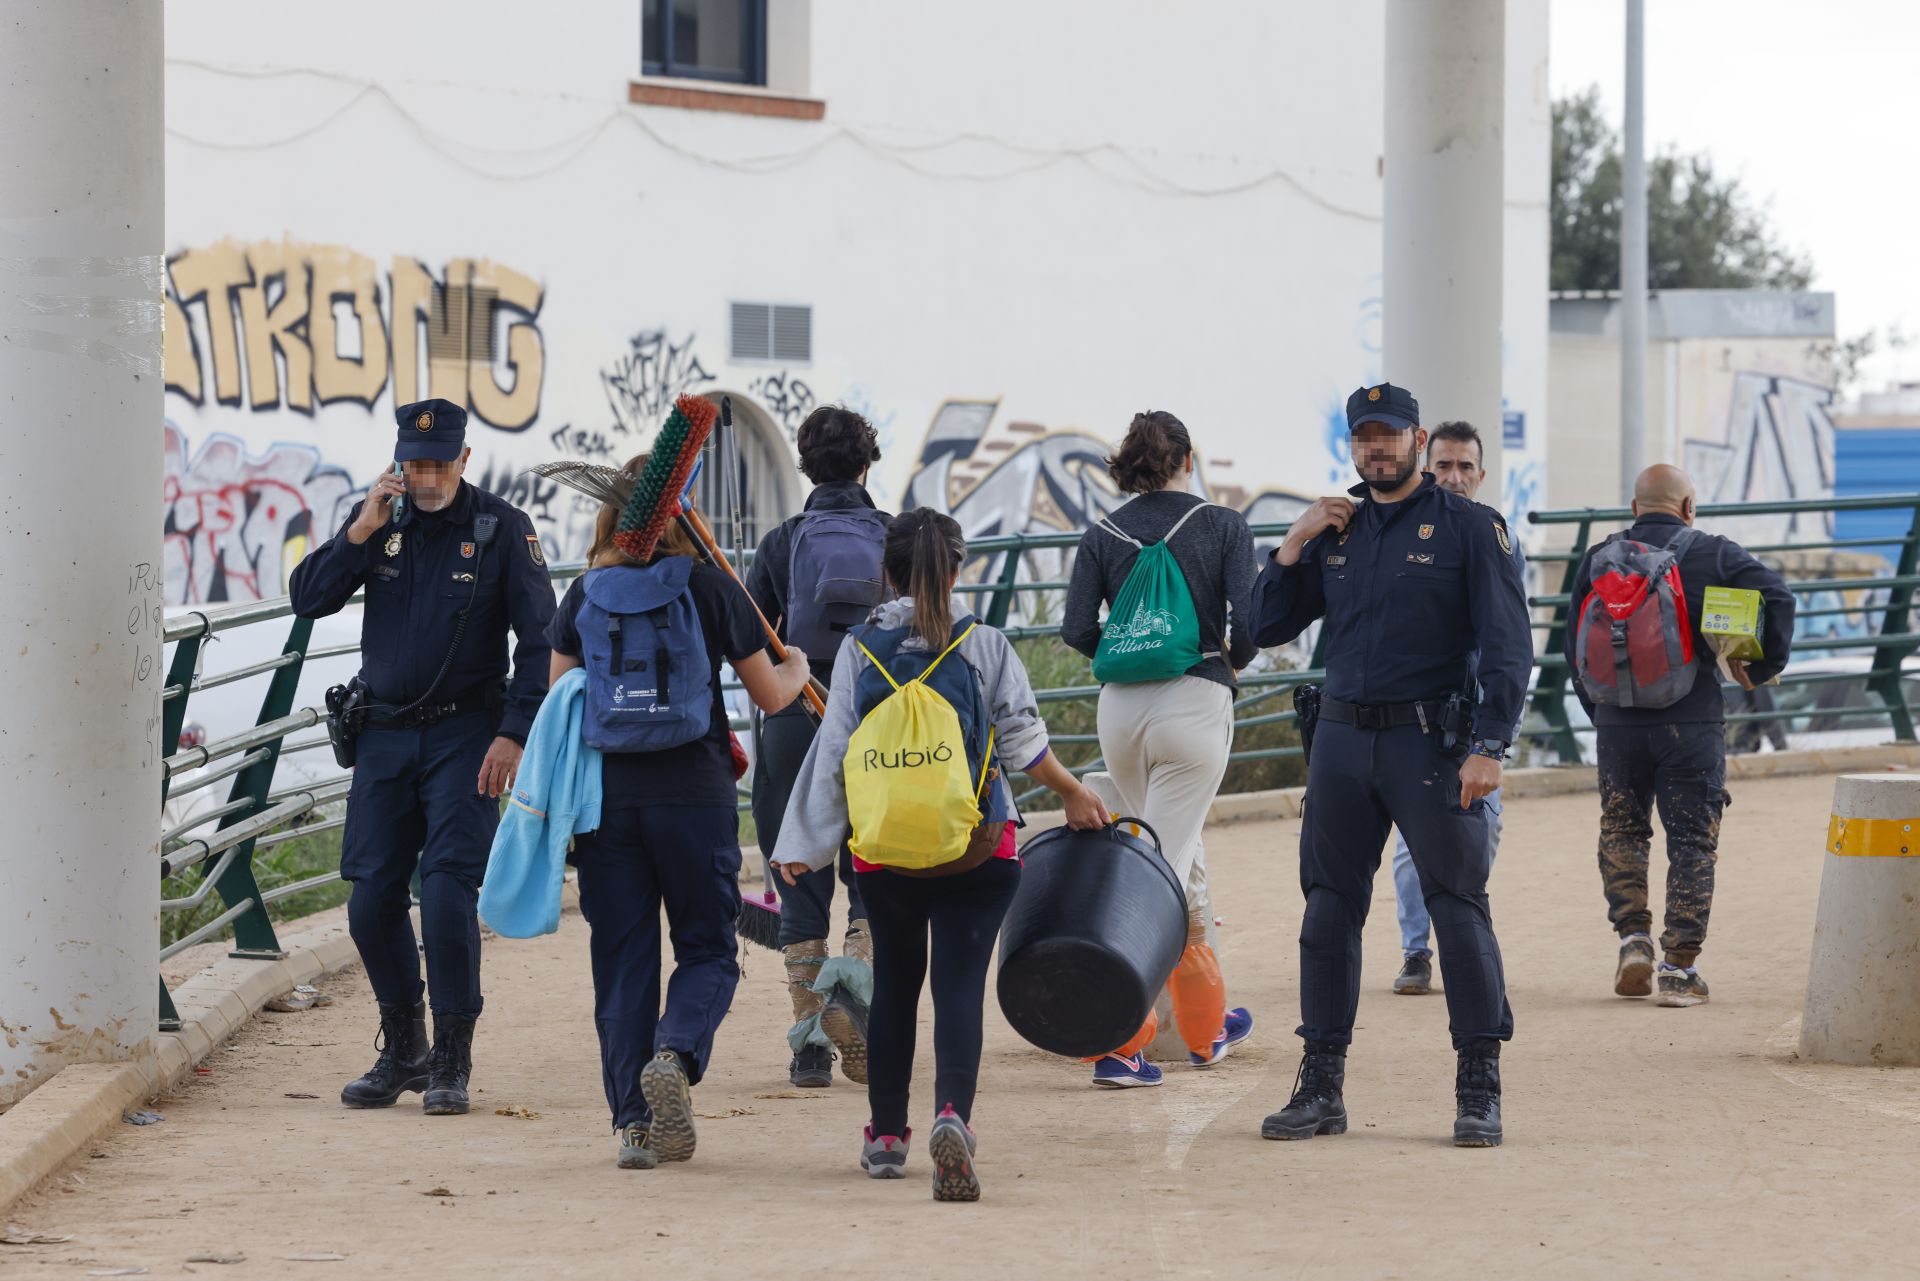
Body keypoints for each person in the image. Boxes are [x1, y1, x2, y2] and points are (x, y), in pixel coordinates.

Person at [770, 508, 1108, 1201]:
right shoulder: (984, 645)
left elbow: (834, 757)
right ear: (957, 571)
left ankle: (887, 1136)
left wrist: (801, 845)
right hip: (978, 846)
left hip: (886, 854)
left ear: (885, 571)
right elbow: (1024, 744)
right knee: (957, 987)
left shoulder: (860, 650)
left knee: (895, 984)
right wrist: (1074, 793)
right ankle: (952, 1116)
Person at [1251, 382, 1531, 1148]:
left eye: (1390, 434)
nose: (1377, 448)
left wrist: (1490, 745)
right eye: (1363, 437)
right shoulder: (1337, 529)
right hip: (1341, 743)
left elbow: (1509, 645)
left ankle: (1479, 1084)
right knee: (1328, 910)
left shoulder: (1472, 528)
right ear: (1353, 446)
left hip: (1429, 746)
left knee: (1457, 905)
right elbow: (1263, 623)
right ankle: (1322, 1086)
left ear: (1418, 437)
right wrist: (1294, 542)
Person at [548, 455, 814, 1170]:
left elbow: (561, 703)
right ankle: (675, 1051)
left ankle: (634, 1123)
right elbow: (770, 694)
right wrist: (799, 667)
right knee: (706, 946)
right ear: (682, 515)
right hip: (693, 794)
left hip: (608, 804)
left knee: (623, 960)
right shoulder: (709, 586)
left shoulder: (583, 594)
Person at [290, 398, 554, 1116]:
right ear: (399, 458)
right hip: (383, 735)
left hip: (467, 736)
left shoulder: (502, 529)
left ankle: (451, 1057)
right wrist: (360, 530)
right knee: (371, 897)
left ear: (464, 460)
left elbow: (541, 642)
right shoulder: (382, 518)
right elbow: (307, 598)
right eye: (415, 462)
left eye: (438, 463)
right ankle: (403, 1045)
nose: (426, 475)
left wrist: (515, 732)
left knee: (443, 893)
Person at [1061, 409, 1255, 1085]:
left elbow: (1076, 628)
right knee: (1156, 875)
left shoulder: (1100, 533)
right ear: (1188, 457)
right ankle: (1116, 1039)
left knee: (1171, 848)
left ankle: (1205, 1024)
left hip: (1120, 710)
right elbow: (1251, 621)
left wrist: (1124, 652)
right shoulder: (1223, 524)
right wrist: (1228, 661)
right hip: (1194, 697)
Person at [1564, 464, 1795, 1007]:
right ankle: (1677, 970)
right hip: (1690, 722)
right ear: (1688, 506)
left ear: (1634, 508)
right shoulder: (1713, 552)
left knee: (1622, 831)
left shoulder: (1601, 557)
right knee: (1692, 842)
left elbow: (1574, 643)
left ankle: (1633, 940)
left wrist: (1601, 712)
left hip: (1617, 722)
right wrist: (1759, 673)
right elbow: (1779, 597)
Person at [745, 406, 889, 1088]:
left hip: (797, 716)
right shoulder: (896, 537)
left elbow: (748, 639)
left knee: (798, 876)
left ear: (805, 466)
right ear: (868, 464)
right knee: (875, 878)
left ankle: (808, 1047)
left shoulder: (781, 542)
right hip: (880, 719)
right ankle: (855, 1007)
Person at [1386, 421, 1527, 996]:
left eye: (1465, 467)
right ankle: (1416, 952)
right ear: (1425, 468)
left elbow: (1510, 639)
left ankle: (1461, 937)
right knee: (1408, 843)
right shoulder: (1398, 531)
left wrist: (1494, 736)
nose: (1454, 477)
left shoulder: (1499, 538)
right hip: (1413, 716)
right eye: (1443, 466)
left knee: (1482, 829)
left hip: (1472, 716)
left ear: (1482, 475)